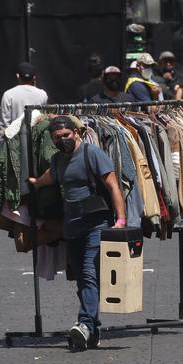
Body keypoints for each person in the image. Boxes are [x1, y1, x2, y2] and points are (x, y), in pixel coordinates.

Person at [29, 116, 127, 350]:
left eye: (67, 135)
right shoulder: (57, 160)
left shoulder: (92, 154)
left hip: (96, 224)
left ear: (77, 133)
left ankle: (83, 324)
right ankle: (92, 331)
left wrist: (121, 219)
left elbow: (113, 185)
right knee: (82, 280)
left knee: (90, 274)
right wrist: (34, 182)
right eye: (58, 138)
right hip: (72, 227)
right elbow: (50, 177)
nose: (63, 140)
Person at [0, 61, 49, 134]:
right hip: (35, 136)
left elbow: (5, 122)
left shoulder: (8, 94)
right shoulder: (43, 94)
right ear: (34, 77)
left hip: (15, 137)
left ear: (18, 76)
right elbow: (44, 116)